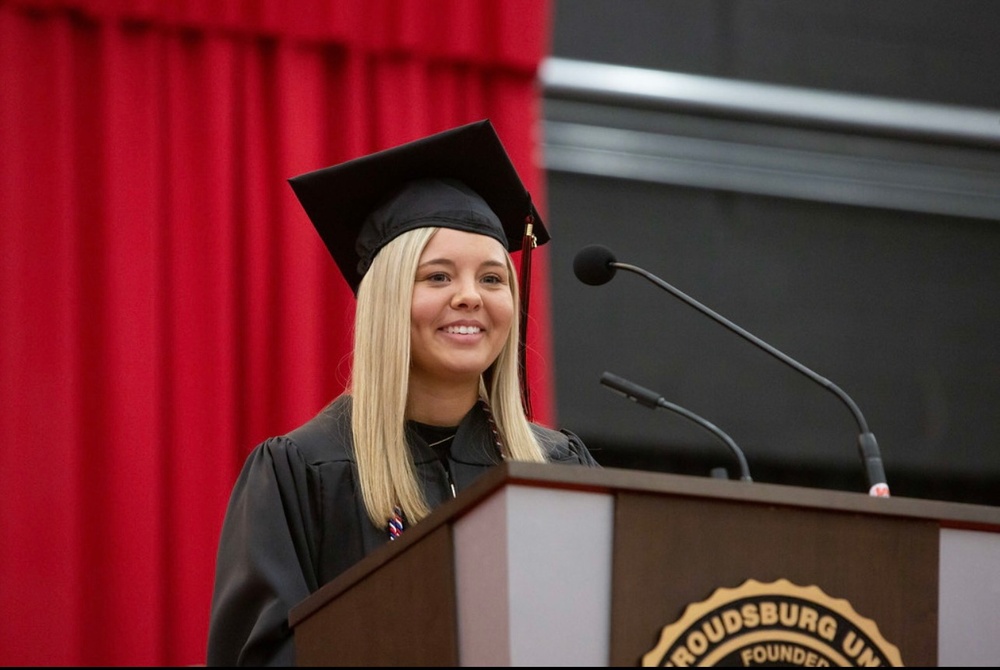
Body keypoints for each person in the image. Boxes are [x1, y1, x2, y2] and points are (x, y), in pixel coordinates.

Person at [205, 120, 599, 666]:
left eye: (491, 279)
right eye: (437, 277)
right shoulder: (305, 472)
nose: (470, 297)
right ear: (387, 300)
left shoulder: (558, 468)